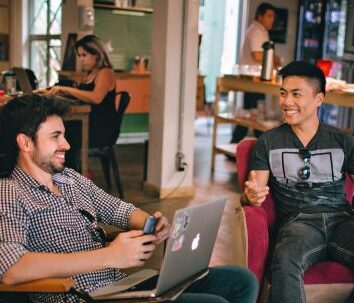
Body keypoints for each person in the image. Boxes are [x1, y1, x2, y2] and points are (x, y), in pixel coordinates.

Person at [0, 95, 258, 303]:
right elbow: (12, 268)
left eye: (64, 134)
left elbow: (118, 210)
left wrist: (150, 222)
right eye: (55, 136)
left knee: (240, 280)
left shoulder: (69, 178)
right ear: (25, 142)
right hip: (82, 296)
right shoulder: (10, 191)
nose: (66, 144)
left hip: (119, 287)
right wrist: (109, 256)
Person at [242, 61, 354, 303]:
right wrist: (250, 197)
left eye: (296, 94)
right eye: (283, 93)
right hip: (297, 223)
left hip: (343, 221)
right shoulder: (268, 142)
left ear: (319, 100)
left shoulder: (343, 141)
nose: (286, 102)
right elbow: (253, 191)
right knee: (284, 260)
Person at [37, 35, 118, 170]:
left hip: (100, 128)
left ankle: (68, 174)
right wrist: (54, 92)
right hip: (90, 122)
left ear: (96, 55)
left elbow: (95, 98)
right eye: (79, 55)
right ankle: (64, 172)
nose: (80, 59)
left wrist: (66, 89)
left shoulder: (106, 73)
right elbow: (83, 95)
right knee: (57, 130)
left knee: (61, 133)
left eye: (84, 55)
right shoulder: (91, 73)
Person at [230, 2, 280, 144]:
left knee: (253, 117)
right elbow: (257, 56)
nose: (272, 20)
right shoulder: (257, 30)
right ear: (260, 16)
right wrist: (275, 59)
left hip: (256, 80)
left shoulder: (260, 31)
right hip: (254, 80)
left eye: (273, 17)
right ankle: (239, 148)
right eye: (269, 16)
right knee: (254, 117)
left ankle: (252, 149)